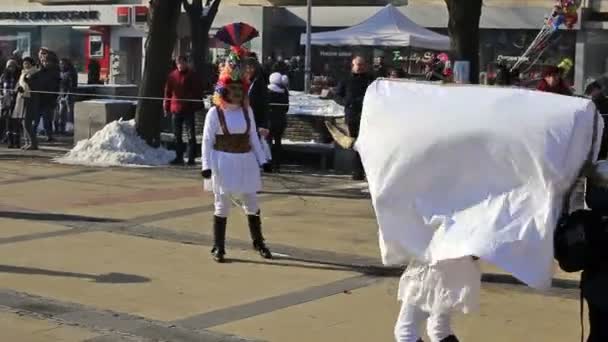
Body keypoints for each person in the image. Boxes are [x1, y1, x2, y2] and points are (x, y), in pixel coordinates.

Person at [201, 48, 273, 263]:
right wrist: (206, 165)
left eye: (239, 90)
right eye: (232, 90)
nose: (236, 95)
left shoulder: (246, 111)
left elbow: (253, 137)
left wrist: (263, 160)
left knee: (251, 202)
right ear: (223, 92)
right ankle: (218, 246)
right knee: (222, 204)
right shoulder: (215, 113)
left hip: (246, 161)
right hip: (223, 162)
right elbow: (206, 141)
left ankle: (259, 242)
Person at [335, 56, 375, 181]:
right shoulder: (346, 79)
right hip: (352, 115)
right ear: (353, 65)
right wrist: (346, 102)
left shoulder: (370, 79)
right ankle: (357, 170)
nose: (360, 66)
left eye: (362, 64)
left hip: (368, 115)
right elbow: (337, 96)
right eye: (358, 64)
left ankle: (364, 170)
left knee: (366, 142)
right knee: (356, 143)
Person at [163, 56, 203, 165]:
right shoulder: (172, 76)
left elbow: (198, 90)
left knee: (191, 134)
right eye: (178, 63)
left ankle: (191, 158)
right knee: (177, 135)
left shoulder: (192, 75)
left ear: (186, 63)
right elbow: (168, 93)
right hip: (176, 109)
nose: (180, 65)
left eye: (182, 63)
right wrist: (166, 107)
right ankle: (179, 157)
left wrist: (192, 101)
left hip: (188, 109)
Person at [35, 50, 60, 142]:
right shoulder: (38, 69)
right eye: (42, 59)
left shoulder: (54, 71)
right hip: (38, 97)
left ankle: (49, 135)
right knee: (36, 118)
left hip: (49, 98)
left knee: (47, 119)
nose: (43, 61)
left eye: (45, 60)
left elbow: (56, 84)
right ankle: (32, 134)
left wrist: (55, 96)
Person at [267, 72, 290, 172]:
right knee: (278, 142)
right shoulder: (284, 92)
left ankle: (268, 163)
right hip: (281, 121)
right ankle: (277, 164)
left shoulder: (267, 91)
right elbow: (286, 108)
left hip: (270, 120)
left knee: (268, 142)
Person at [15, 57, 38, 150]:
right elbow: (19, 84)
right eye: (24, 63)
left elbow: (34, 86)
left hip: (30, 99)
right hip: (22, 98)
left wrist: (28, 84)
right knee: (23, 122)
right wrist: (18, 88)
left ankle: (33, 143)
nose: (26, 65)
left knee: (27, 122)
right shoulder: (23, 73)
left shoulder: (35, 73)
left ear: (32, 64)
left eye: (28, 63)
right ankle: (27, 142)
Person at [0, 59, 19, 147]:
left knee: (15, 121)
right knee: (7, 120)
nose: (11, 68)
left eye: (13, 66)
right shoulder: (3, 76)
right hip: (5, 100)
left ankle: (17, 141)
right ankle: (10, 141)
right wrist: (1, 95)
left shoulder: (18, 76)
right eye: (9, 66)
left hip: (16, 100)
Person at [56, 58, 75, 135]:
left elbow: (72, 85)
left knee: (69, 112)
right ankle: (62, 129)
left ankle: (70, 129)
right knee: (61, 113)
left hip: (68, 95)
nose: (61, 65)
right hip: (61, 95)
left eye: (63, 64)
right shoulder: (61, 73)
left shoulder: (71, 73)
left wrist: (68, 94)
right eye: (60, 64)